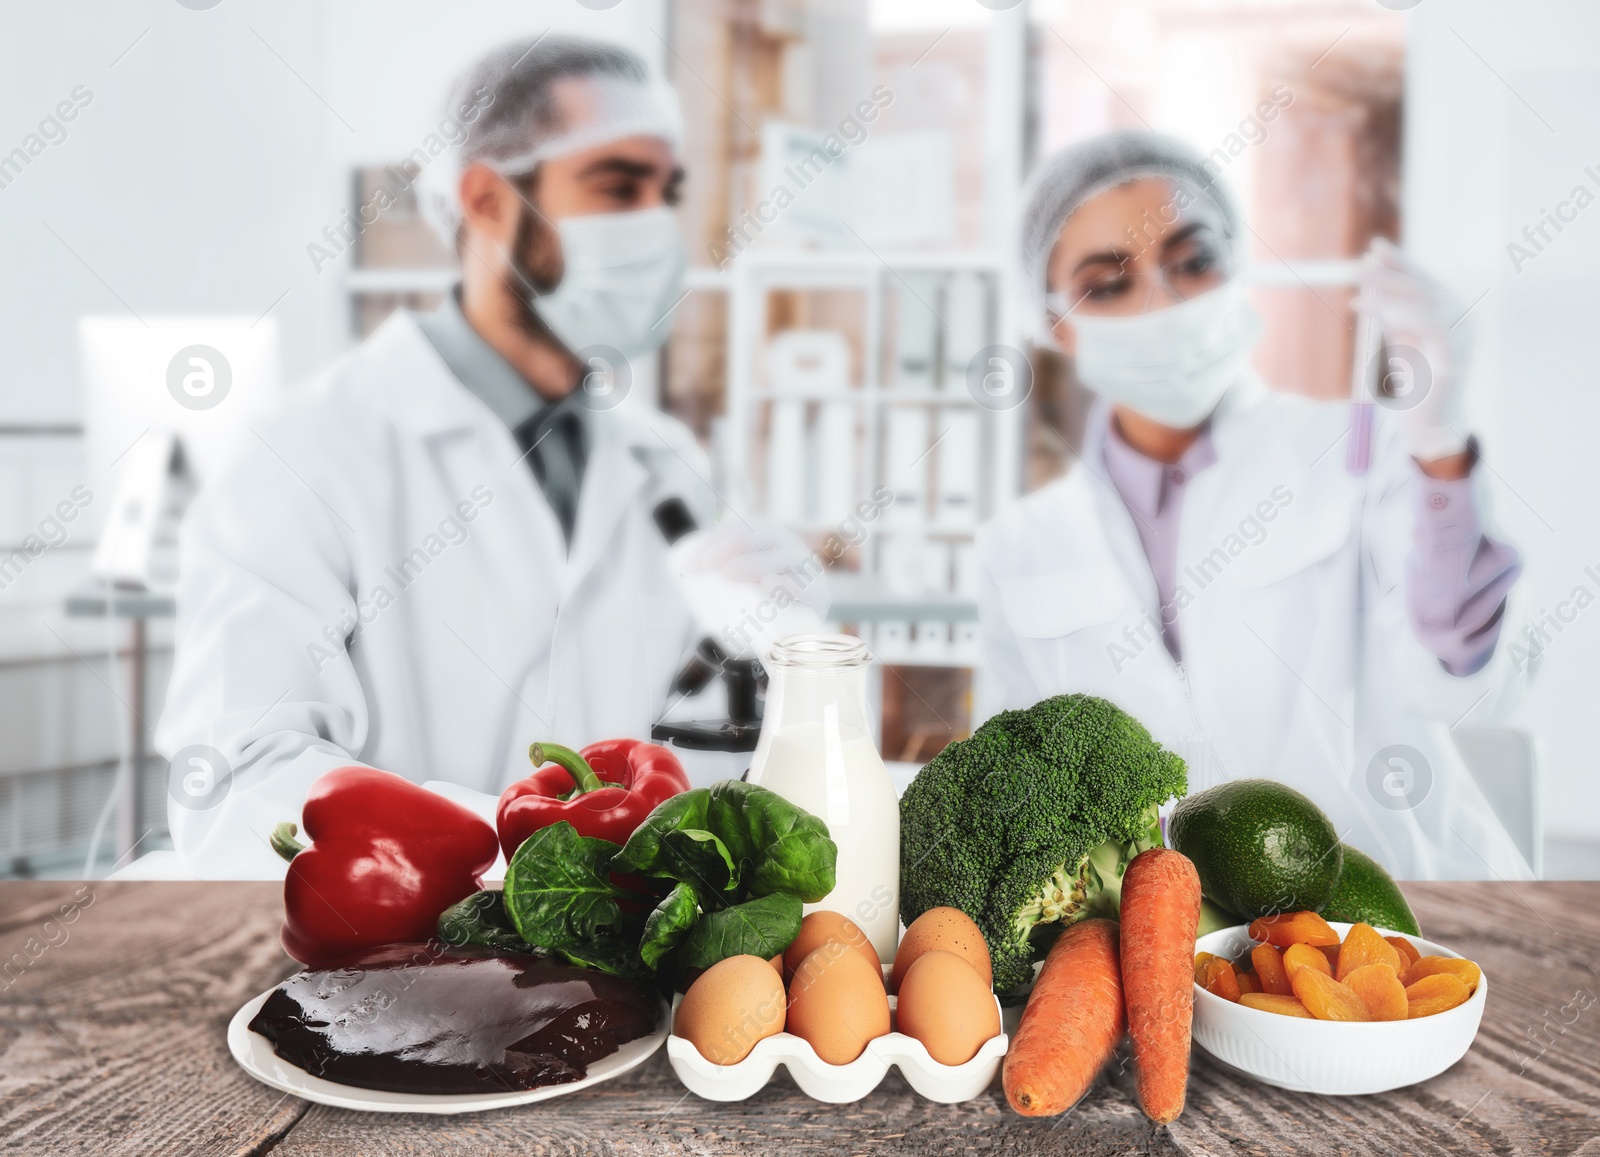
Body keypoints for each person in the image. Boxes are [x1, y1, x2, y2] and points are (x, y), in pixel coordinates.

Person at [156, 36, 815, 878]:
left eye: (664, 194)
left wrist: (785, 659)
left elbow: (711, 757)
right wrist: (512, 857)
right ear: (488, 200)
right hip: (394, 977)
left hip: (631, 982)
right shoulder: (303, 459)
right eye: (617, 187)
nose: (655, 229)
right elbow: (236, 781)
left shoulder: (666, 464)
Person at [978, 131, 1532, 880]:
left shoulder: (1361, 455)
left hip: (1412, 912)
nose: (1162, 301)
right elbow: (1016, 780)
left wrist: (1439, 447)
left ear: (1236, 262)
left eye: (1193, 260)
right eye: (1108, 283)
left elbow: (1464, 682)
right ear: (1054, 324)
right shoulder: (1020, 546)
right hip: (1178, 946)